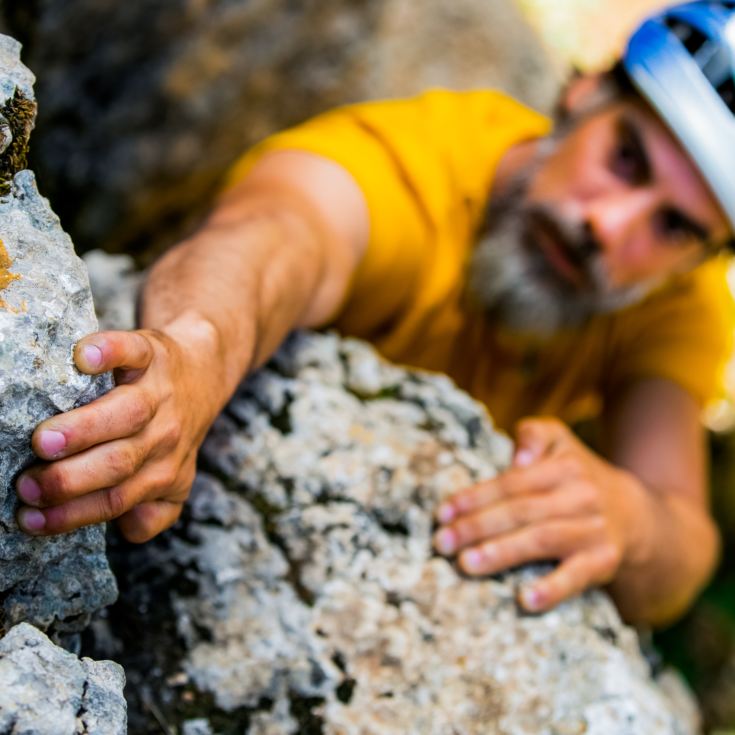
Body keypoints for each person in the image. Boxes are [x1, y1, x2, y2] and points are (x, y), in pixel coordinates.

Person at [13, 1, 735, 626]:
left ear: (699, 259)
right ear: (583, 93)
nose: (609, 228)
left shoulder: (672, 303)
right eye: (626, 159)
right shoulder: (420, 167)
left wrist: (630, 522)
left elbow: (681, 535)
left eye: (673, 227)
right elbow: (281, 233)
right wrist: (196, 349)